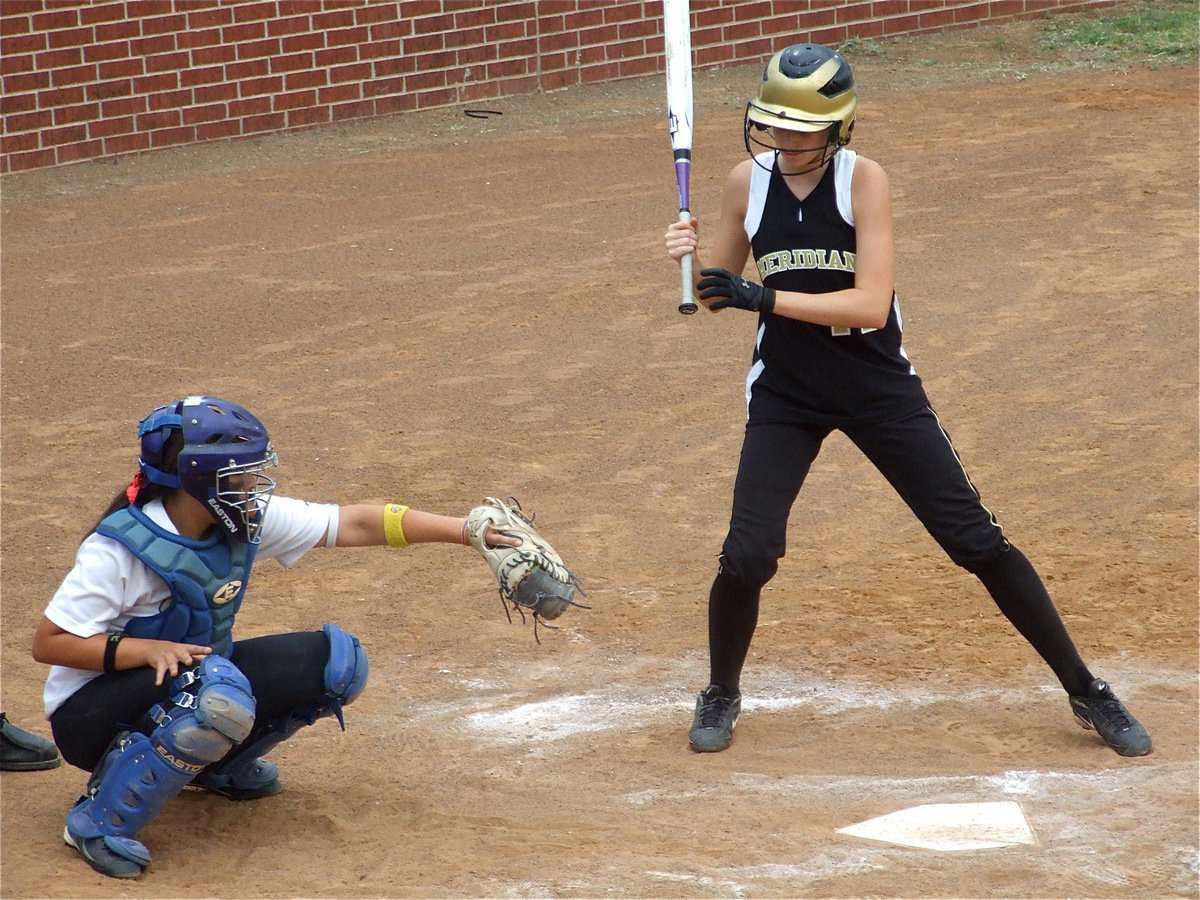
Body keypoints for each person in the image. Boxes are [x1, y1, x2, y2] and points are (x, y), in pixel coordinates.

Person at [663, 44, 1150, 758]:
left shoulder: (865, 182)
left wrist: (759, 296)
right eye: (773, 123)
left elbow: (869, 303)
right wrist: (690, 257)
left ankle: (1086, 689)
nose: (783, 139)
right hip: (787, 394)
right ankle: (721, 691)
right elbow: (716, 294)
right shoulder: (747, 182)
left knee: (975, 541)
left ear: (838, 130)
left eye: (800, 127)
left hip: (877, 388)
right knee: (747, 556)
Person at [32, 395, 519, 879]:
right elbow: (49, 642)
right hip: (88, 714)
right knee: (215, 693)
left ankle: (214, 765)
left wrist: (467, 531)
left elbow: (352, 521)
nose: (251, 484)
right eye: (237, 474)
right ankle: (97, 821)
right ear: (198, 479)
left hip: (187, 683)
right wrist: (145, 649)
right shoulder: (119, 550)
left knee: (337, 664)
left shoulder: (239, 519)